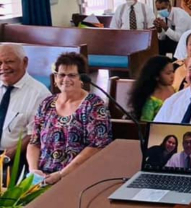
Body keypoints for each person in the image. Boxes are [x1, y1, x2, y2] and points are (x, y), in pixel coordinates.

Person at [27, 53, 112, 183]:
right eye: (61, 75)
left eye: (72, 75)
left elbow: (97, 147)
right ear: (55, 78)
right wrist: (34, 171)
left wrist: (62, 174)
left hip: (77, 177)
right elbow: (34, 142)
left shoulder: (94, 105)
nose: (65, 79)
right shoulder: (47, 103)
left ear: (82, 79)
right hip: (42, 176)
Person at [0, 44, 50, 160]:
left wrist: (8, 156)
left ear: (25, 62)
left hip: (16, 157)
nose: (4, 67)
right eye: (0, 63)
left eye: (9, 61)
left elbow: (34, 134)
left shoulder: (40, 94)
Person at [129, 55, 176, 122]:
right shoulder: (150, 99)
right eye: (168, 73)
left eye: (173, 72)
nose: (172, 76)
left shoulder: (173, 90)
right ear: (156, 76)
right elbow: (145, 123)